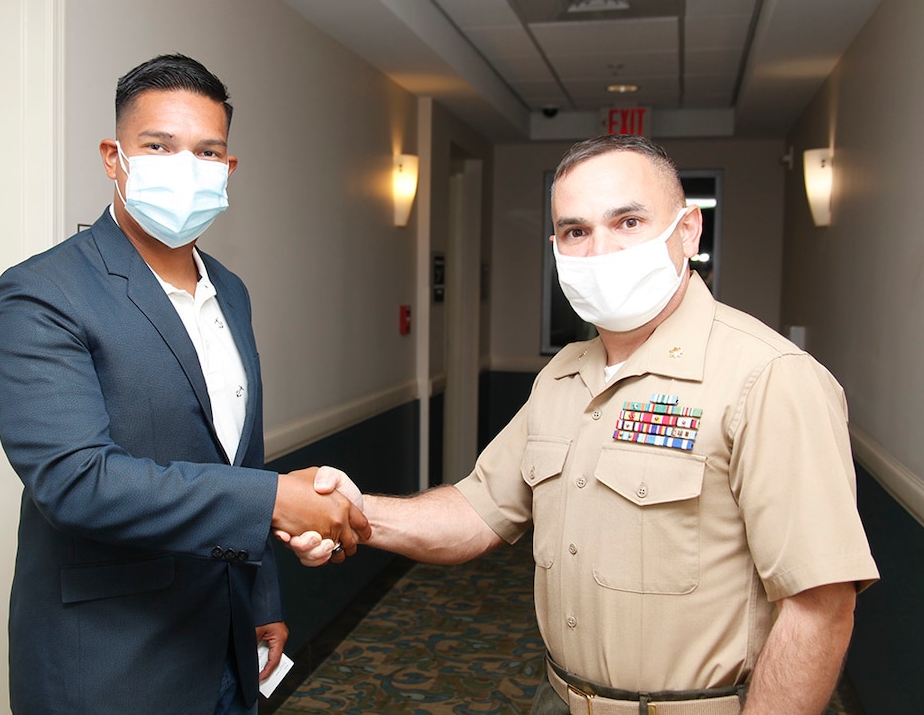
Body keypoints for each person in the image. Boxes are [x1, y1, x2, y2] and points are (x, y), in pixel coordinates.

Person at [286, 134, 879, 714]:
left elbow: (820, 607)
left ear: (688, 230)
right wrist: (352, 509)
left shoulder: (769, 377)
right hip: (559, 696)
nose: (599, 253)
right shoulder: (563, 375)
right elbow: (477, 511)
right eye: (576, 231)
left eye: (627, 223)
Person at [0, 54, 369, 715]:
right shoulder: (42, 292)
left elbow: (238, 458)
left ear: (228, 169)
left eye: (206, 151)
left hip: (223, 643)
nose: (185, 166)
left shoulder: (233, 291)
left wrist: (261, 598)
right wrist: (276, 501)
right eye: (158, 146)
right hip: (111, 664)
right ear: (114, 156)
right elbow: (77, 481)